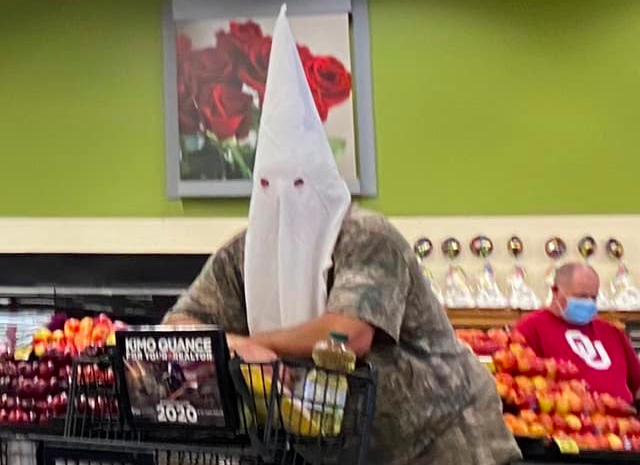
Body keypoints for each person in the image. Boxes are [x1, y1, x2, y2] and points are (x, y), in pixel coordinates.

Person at [163, 8, 520, 465]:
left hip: (442, 436)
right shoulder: (244, 253)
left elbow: (345, 336)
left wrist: (262, 343)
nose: (285, 201)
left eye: (299, 187)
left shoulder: (366, 235)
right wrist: (238, 345)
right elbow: (179, 326)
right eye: (269, 188)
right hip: (339, 447)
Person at [516, 262, 640, 404]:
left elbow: (637, 386)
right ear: (555, 291)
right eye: (581, 296)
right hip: (564, 422)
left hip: (622, 421)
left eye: (593, 298)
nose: (588, 302)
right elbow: (521, 386)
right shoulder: (530, 329)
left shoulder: (612, 333)